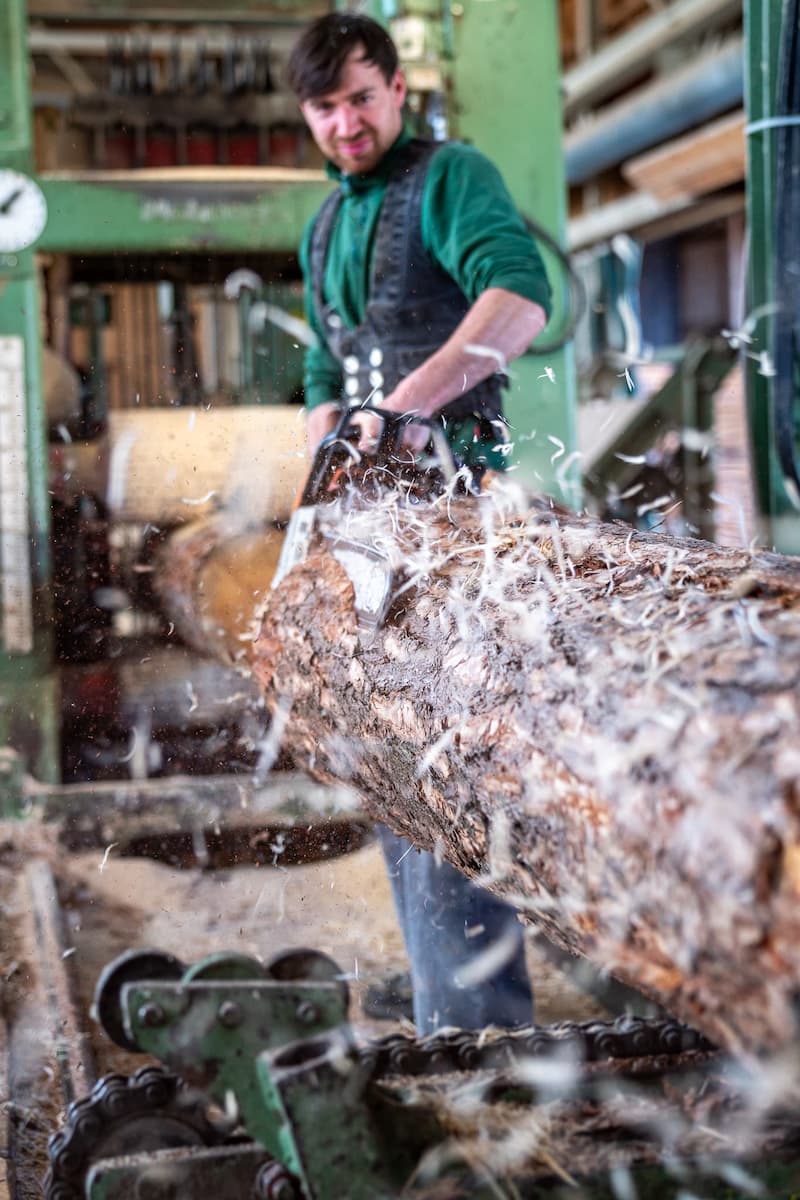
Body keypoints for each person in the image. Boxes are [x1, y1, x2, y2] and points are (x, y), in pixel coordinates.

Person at [288, 12, 551, 1034]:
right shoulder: (320, 227)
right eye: (325, 108)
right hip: (364, 531)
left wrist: (407, 406)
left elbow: (518, 298)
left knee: (446, 766)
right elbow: (322, 361)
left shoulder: (449, 178)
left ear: (396, 90)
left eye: (361, 98)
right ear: (306, 116)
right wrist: (330, 450)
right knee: (391, 762)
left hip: (454, 523)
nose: (346, 124)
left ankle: (483, 1038)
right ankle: (450, 1004)